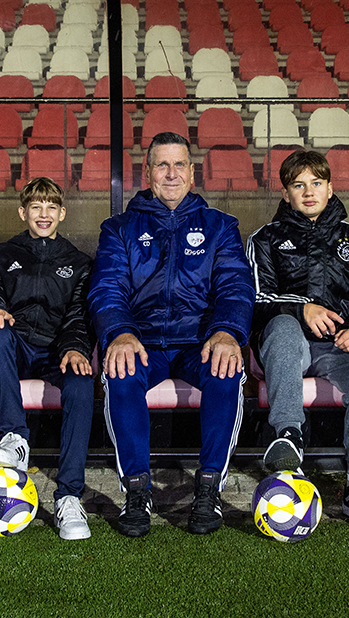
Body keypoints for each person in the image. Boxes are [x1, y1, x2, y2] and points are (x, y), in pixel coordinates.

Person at [88, 131, 254, 538]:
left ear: (193, 174)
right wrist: (121, 332)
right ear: (147, 173)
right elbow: (107, 288)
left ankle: (209, 485)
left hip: (200, 341)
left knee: (227, 370)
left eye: (179, 164)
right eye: (162, 165)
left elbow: (235, 286)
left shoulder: (220, 226)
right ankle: (137, 489)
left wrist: (228, 331)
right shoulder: (120, 228)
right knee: (120, 372)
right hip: (143, 343)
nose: (171, 173)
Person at [246, 149, 349, 528]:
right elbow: (255, 300)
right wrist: (302, 308)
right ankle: (289, 437)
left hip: (339, 348)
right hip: (282, 348)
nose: (308, 192)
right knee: (282, 326)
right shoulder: (264, 240)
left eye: (316, 183)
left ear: (330, 188)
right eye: (298, 185)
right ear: (285, 194)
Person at [0, 177, 95, 541]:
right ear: (22, 212)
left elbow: (79, 316)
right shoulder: (0, 254)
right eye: (36, 207)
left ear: (62, 213)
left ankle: (70, 496)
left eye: (51, 207)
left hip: (56, 350)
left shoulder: (79, 263)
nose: (43, 214)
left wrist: (75, 346)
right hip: (14, 344)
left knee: (81, 382)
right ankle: (14, 435)